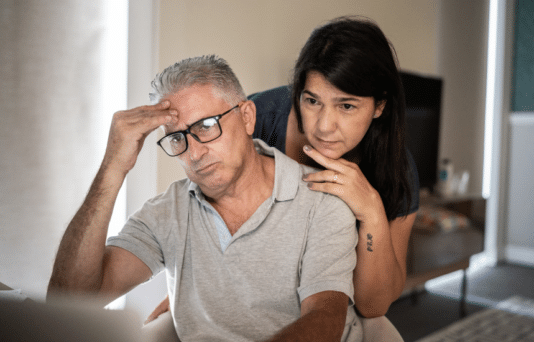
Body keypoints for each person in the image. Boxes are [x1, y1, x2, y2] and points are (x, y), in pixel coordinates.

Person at [47, 55, 364, 341]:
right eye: (177, 138)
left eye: (207, 126)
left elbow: (325, 318)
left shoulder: (321, 201)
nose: (195, 153)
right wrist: (113, 168)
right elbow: (69, 303)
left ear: (247, 117)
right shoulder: (167, 212)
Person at [146, 16, 419, 324]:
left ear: (380, 106)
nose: (325, 126)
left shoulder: (397, 168)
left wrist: (371, 211)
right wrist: (187, 293)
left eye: (346, 106)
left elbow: (374, 305)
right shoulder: (253, 121)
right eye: (312, 100)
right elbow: (209, 223)